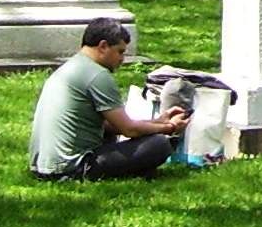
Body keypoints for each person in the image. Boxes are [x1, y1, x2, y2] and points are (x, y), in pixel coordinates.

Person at [29, 21, 190, 181]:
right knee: (159, 144)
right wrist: (169, 128)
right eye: (120, 52)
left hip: (42, 167)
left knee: (114, 133)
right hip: (72, 168)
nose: (122, 59)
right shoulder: (97, 75)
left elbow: (108, 124)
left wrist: (158, 122)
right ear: (103, 46)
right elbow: (129, 129)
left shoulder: (70, 68)